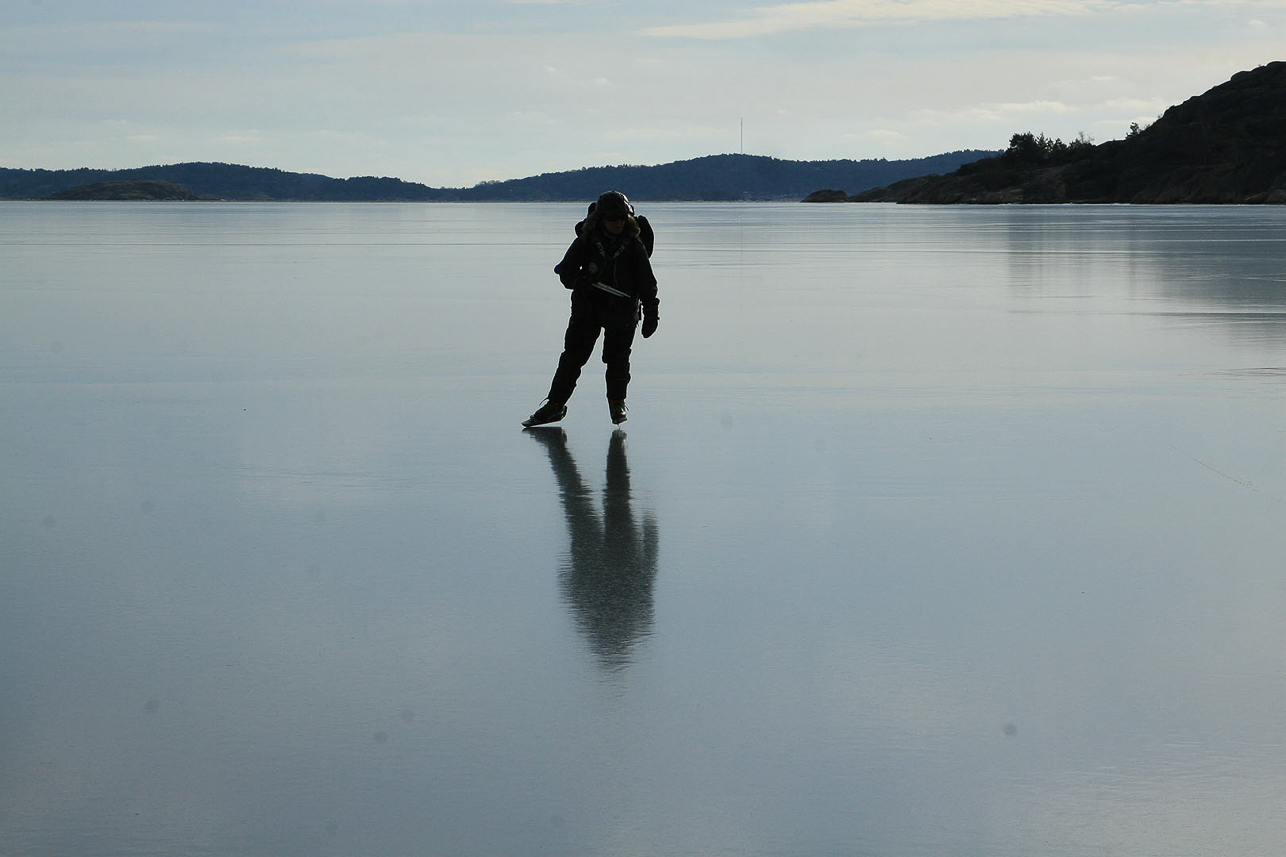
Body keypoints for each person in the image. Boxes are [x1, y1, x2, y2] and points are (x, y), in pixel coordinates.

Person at [523, 191, 659, 427]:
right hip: (587, 310)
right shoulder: (586, 241)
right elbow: (566, 271)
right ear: (600, 219)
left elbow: (647, 283)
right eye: (612, 218)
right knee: (572, 359)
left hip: (622, 312)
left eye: (622, 218)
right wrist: (580, 282)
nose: (618, 223)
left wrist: (651, 313)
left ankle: (617, 403)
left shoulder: (634, 246)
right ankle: (555, 405)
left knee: (617, 360)